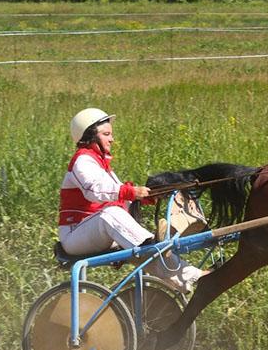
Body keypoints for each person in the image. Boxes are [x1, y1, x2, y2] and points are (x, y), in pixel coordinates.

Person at [58, 108, 206, 293]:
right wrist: (131, 191)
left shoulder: (101, 165)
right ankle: (152, 245)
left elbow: (119, 200)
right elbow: (94, 190)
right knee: (110, 216)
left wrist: (145, 199)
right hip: (74, 237)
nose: (112, 139)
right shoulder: (82, 161)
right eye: (106, 134)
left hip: (96, 233)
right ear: (90, 135)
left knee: (136, 240)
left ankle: (189, 276)